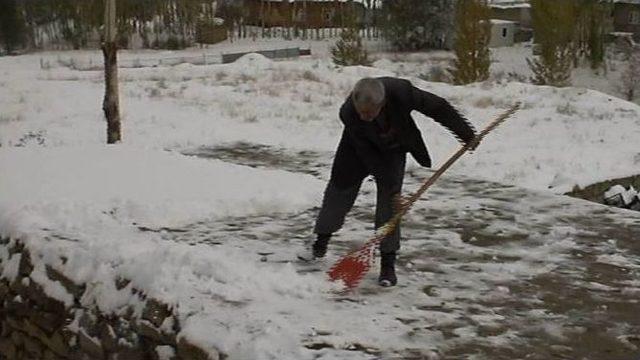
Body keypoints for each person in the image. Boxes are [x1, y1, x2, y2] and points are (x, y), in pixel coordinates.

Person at [298, 77, 478, 287]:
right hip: (355, 151)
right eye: (361, 112)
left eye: (369, 113)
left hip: (393, 148)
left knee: (389, 207)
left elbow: (438, 107)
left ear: (382, 104)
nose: (364, 117)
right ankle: (319, 243)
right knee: (339, 193)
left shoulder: (402, 92)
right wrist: (394, 188)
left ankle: (388, 264)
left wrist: (466, 134)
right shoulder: (348, 113)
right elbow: (368, 155)